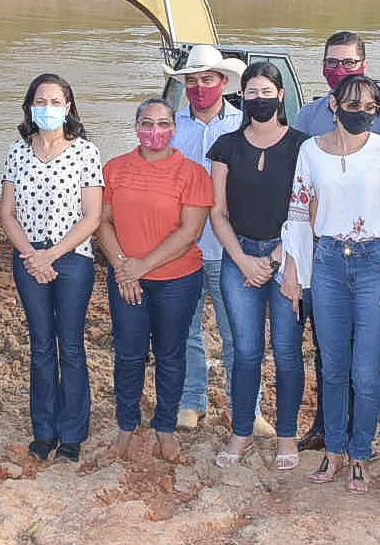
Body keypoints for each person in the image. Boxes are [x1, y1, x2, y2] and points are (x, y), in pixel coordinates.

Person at [294, 74, 380, 492]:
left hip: (377, 262)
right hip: (327, 263)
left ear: (377, 111)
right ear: (333, 104)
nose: (360, 112)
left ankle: (361, 452)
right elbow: (299, 213)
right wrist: (297, 275)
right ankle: (334, 450)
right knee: (333, 367)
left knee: (365, 371)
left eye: (369, 106)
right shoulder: (310, 151)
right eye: (352, 104)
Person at [97, 97, 214, 463]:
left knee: (170, 354)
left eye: (163, 124)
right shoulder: (115, 168)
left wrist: (140, 267)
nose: (155, 132)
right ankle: (126, 427)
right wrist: (121, 266)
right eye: (147, 124)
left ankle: (165, 428)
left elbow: (190, 232)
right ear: (136, 127)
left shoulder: (193, 173)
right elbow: (102, 221)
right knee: (129, 355)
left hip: (177, 280)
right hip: (126, 280)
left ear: (174, 129)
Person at [208, 61, 310, 471]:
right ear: (242, 96)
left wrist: (275, 259)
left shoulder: (304, 146)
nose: (259, 99)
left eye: (267, 92)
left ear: (281, 96)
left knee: (287, 350)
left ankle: (286, 434)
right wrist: (242, 260)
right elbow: (217, 212)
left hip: (290, 257)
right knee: (246, 351)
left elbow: (308, 213)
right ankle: (242, 431)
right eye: (252, 92)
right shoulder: (226, 146)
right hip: (239, 256)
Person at [0, 73, 104, 463]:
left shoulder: (86, 152)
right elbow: (6, 213)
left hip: (72, 259)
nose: (47, 108)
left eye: (56, 101)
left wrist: (53, 255)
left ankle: (73, 433)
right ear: (29, 106)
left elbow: (92, 216)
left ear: (69, 107)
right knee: (41, 345)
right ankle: (43, 431)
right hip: (29, 258)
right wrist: (31, 254)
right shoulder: (16, 151)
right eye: (40, 101)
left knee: (71, 345)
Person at [166, 45, 271, 436]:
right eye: (191, 81)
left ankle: (250, 408)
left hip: (232, 249)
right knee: (186, 331)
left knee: (239, 335)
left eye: (206, 79)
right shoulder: (172, 128)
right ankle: (191, 401)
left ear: (224, 82)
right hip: (184, 248)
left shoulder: (245, 127)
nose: (199, 88)